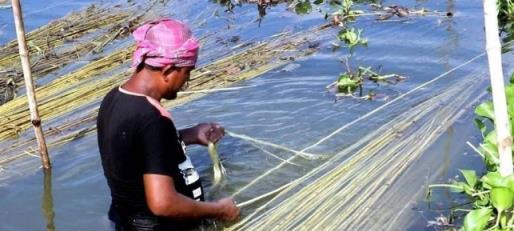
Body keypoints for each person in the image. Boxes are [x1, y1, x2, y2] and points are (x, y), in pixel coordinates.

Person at [97, 18, 240, 231]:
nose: (186, 81)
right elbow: (163, 203)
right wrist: (219, 209)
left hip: (126, 220)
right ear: (168, 70)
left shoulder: (114, 98)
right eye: (187, 72)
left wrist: (190, 135)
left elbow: (137, 152)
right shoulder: (153, 118)